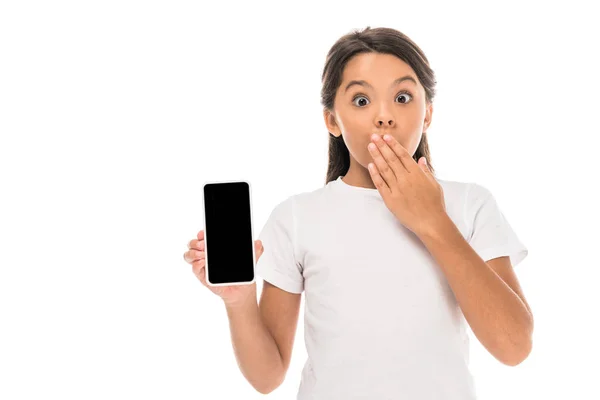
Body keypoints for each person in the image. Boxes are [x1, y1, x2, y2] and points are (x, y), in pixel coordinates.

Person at [183, 26, 533, 400]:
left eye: (402, 97)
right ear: (332, 120)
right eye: (362, 101)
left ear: (427, 114)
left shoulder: (470, 205)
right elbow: (267, 377)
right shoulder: (298, 217)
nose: (384, 117)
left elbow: (513, 347)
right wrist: (239, 303)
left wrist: (433, 221)